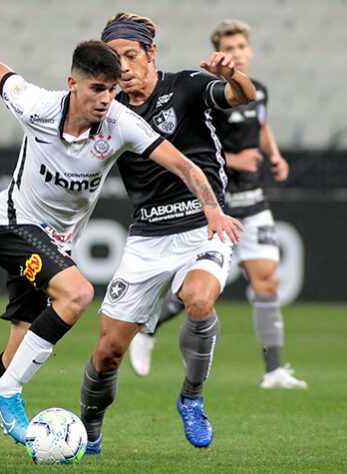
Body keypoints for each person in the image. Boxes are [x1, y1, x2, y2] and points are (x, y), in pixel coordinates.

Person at [0, 40, 243, 458]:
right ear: (72, 84)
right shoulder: (35, 105)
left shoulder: (121, 123)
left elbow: (183, 164)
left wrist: (213, 211)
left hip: (55, 245)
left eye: (113, 89)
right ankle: (8, 393)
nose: (106, 99)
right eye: (97, 89)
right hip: (11, 227)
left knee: (19, 345)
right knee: (77, 293)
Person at [79, 12, 256, 452]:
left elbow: (241, 97)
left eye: (131, 55)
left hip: (204, 225)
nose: (123, 66)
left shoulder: (189, 86)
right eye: (114, 58)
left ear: (151, 53)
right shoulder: (109, 111)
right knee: (106, 355)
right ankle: (89, 428)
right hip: (146, 239)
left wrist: (235, 77)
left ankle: (192, 399)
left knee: (198, 300)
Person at [127, 20, 308, 390]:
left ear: (250, 50)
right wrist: (234, 159)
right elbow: (193, 140)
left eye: (242, 46)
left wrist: (273, 154)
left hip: (254, 202)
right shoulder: (211, 92)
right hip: (212, 205)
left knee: (266, 281)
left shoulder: (259, 90)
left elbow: (261, 121)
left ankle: (273, 370)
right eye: (231, 47)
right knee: (197, 295)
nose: (238, 52)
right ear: (221, 50)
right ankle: (148, 328)